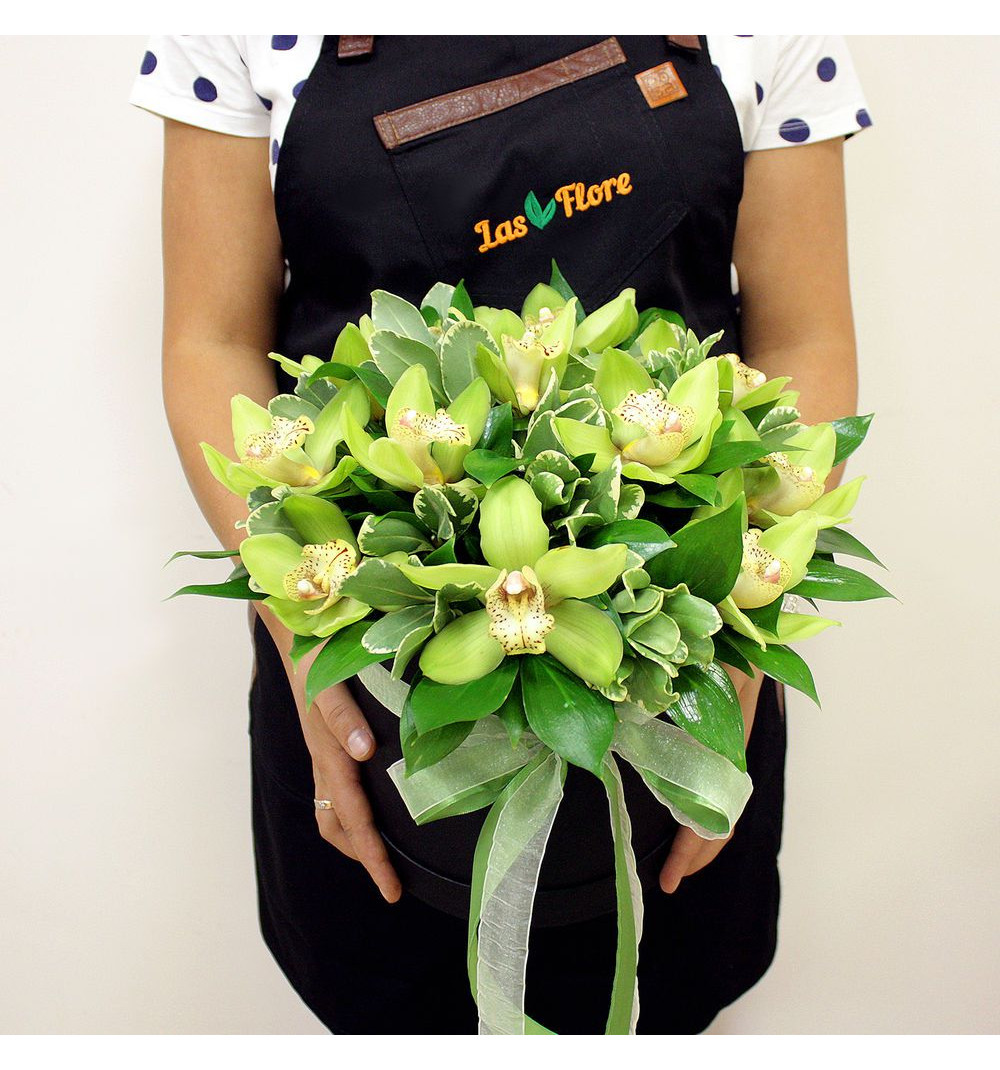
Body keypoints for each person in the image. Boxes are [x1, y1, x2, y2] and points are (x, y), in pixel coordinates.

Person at [131, 35, 870, 1034]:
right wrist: (303, 630)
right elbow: (211, 338)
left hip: (681, 666)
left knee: (659, 996)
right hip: (365, 688)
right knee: (392, 1002)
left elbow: (803, 337)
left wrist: (745, 614)